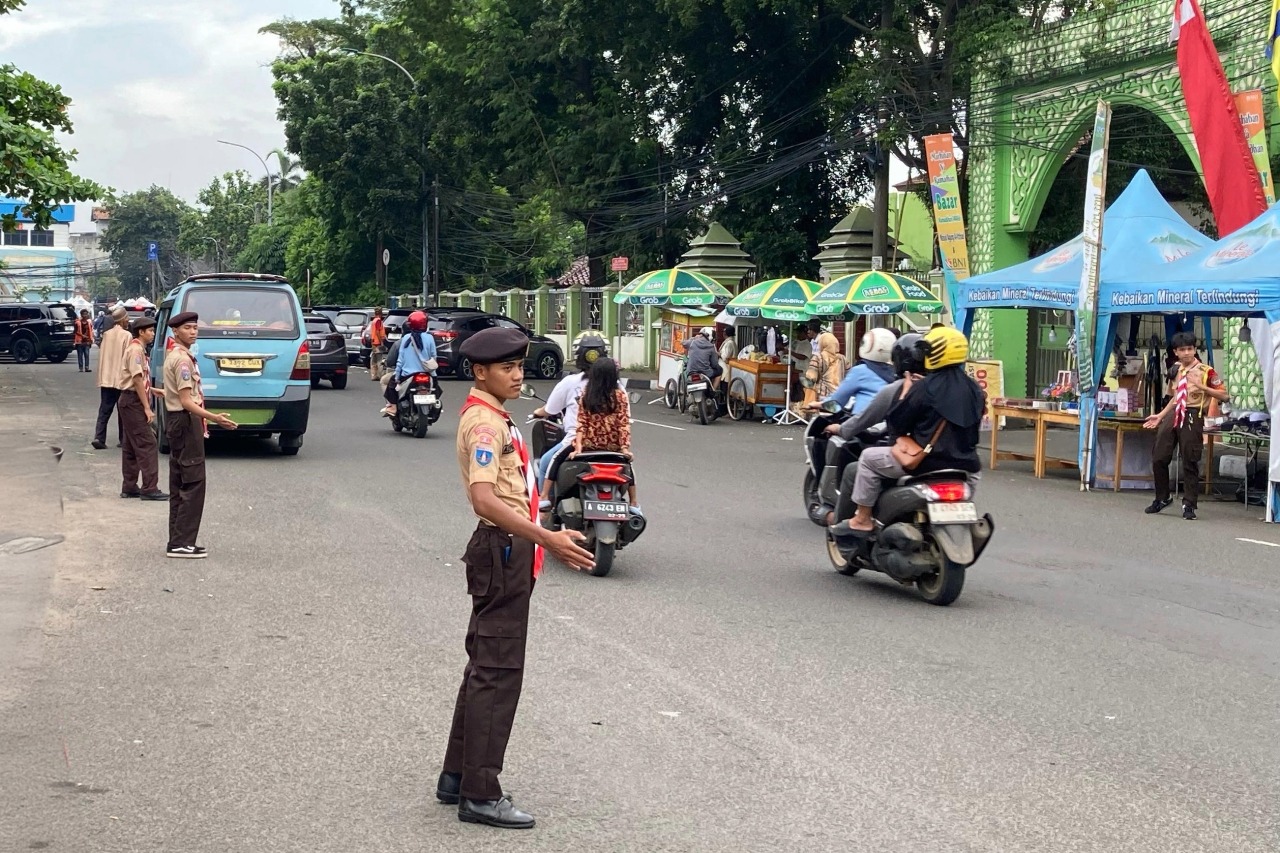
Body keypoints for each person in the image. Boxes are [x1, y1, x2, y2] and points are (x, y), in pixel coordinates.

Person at [438, 326, 594, 830]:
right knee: (498, 671)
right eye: (506, 367)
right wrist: (547, 538)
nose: (517, 374)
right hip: (501, 547)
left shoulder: (493, 416)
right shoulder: (485, 425)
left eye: (519, 365)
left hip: (504, 547)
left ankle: (459, 777)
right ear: (480, 371)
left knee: (484, 663)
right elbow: (486, 499)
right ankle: (481, 794)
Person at [835, 326, 983, 534]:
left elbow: (897, 424)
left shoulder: (923, 387)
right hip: (968, 467)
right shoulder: (975, 389)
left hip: (924, 463)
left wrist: (905, 395)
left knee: (868, 458)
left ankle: (862, 519)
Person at [822, 333, 924, 524]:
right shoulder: (969, 389)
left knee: (859, 466)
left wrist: (840, 427)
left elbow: (857, 413)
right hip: (962, 463)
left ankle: (857, 521)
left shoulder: (897, 387)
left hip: (905, 450)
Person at [162, 312, 238, 559]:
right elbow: (186, 401)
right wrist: (214, 418)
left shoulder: (176, 356)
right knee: (193, 482)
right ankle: (182, 542)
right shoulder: (182, 361)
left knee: (179, 480)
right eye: (187, 328)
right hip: (185, 421)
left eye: (195, 327)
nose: (193, 332)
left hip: (177, 421)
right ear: (176, 332)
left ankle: (177, 540)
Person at [1143, 331, 1228, 520]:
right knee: (1159, 456)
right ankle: (1162, 497)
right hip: (1174, 412)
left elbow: (1224, 395)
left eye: (1190, 349)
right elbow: (1175, 396)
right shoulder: (1176, 369)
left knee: (1190, 459)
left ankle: (1189, 504)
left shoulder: (1206, 371)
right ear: (1176, 352)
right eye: (1183, 350)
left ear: (1195, 350)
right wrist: (1160, 415)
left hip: (1192, 413)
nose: (1187, 353)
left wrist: (1204, 388)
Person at [534, 331, 606, 509]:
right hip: (610, 445)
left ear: (578, 355)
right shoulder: (616, 384)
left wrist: (538, 412)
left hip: (576, 442)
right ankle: (634, 504)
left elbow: (550, 409)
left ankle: (545, 505)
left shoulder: (571, 383)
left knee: (545, 462)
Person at [571, 357, 641, 513]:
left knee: (556, 462)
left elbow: (581, 423)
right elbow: (623, 424)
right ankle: (634, 503)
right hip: (613, 450)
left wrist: (578, 448)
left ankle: (545, 496)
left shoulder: (586, 394)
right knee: (629, 470)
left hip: (588, 449)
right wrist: (624, 450)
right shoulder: (620, 396)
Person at [117, 317, 168, 501]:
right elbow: (137, 380)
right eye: (150, 331)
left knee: (131, 444)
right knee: (148, 444)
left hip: (129, 398)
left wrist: (153, 391)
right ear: (141, 332)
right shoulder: (136, 351)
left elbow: (138, 381)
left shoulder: (137, 349)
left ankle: (130, 486)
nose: (153, 334)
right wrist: (147, 408)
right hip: (133, 401)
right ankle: (149, 488)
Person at [815, 328, 896, 414]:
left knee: (831, 428)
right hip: (888, 422)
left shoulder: (860, 371)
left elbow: (837, 401)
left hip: (861, 422)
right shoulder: (896, 372)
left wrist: (816, 404)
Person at [382, 310, 437, 416]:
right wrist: (433, 375)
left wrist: (397, 377)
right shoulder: (430, 338)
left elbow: (400, 361)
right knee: (436, 390)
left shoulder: (406, 338)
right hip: (427, 374)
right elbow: (433, 357)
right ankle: (433, 405)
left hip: (407, 375)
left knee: (391, 386)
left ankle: (393, 407)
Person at [92, 306, 131, 450]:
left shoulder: (106, 335)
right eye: (126, 318)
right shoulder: (127, 336)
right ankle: (123, 439)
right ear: (122, 320)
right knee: (123, 410)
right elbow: (128, 358)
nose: (128, 320)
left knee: (104, 409)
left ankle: (99, 437)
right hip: (121, 378)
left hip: (107, 378)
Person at [799, 330, 848, 408]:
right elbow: (848, 376)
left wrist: (802, 379)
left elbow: (811, 378)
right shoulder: (843, 359)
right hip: (839, 396)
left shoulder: (818, 358)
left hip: (822, 397)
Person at [367, 307, 388, 381]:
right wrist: (381, 341)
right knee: (379, 359)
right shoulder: (378, 321)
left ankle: (374, 375)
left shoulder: (374, 321)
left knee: (373, 359)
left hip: (373, 342)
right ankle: (380, 374)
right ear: (380, 313)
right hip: (377, 342)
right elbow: (378, 332)